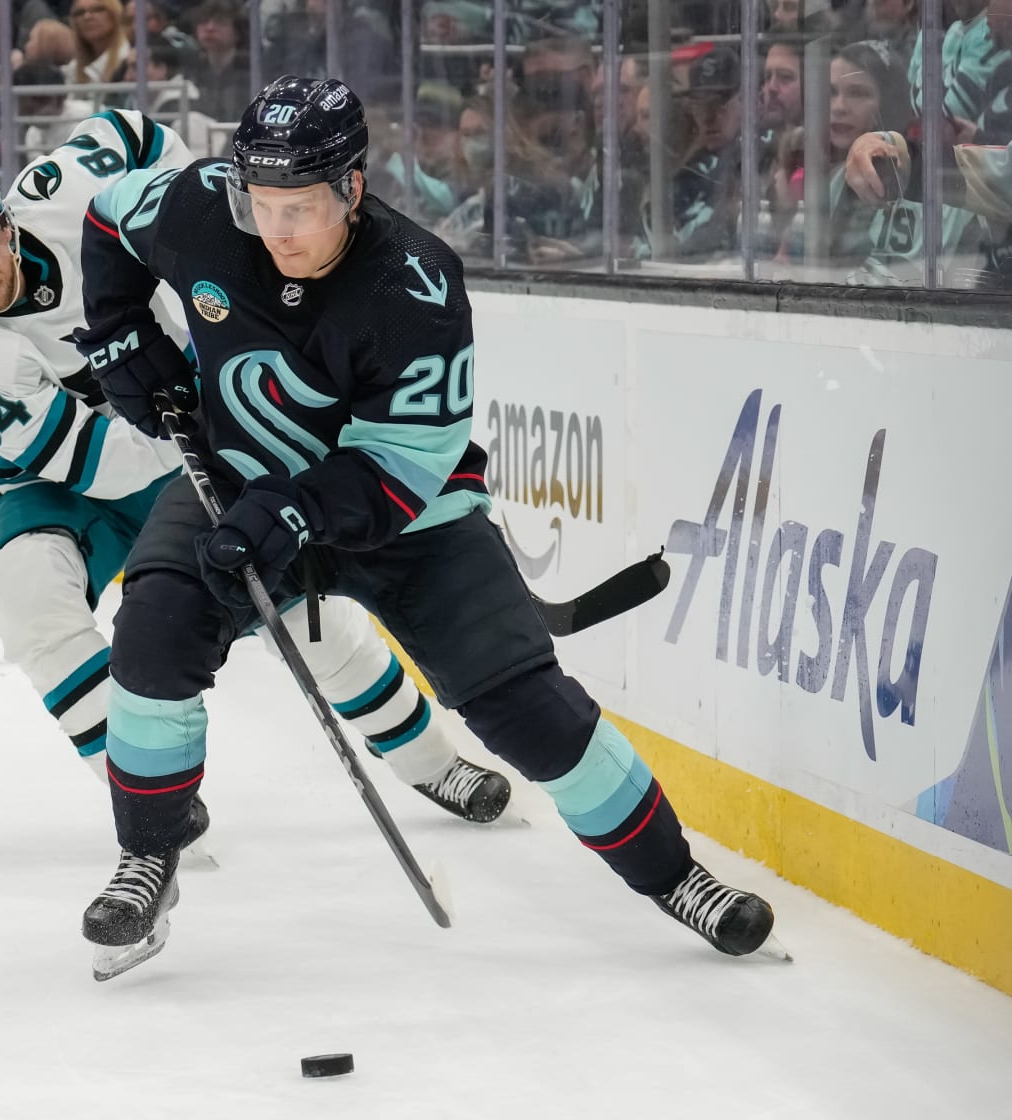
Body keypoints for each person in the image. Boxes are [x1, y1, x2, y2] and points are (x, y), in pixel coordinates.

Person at [71, 77, 778, 979]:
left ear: (353, 190)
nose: (277, 232)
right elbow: (105, 219)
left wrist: (289, 512)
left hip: (411, 518)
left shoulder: (415, 283)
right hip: (241, 478)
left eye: (302, 209)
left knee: (529, 709)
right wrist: (123, 332)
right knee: (155, 628)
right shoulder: (204, 207)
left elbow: (400, 468)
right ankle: (150, 854)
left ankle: (677, 876)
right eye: (262, 206)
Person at [0, 113, 512, 906]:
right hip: (56, 484)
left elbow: (136, 137)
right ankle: (158, 805)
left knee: (299, 612)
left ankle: (434, 763)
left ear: (6, 219)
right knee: (28, 604)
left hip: (175, 429)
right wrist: (192, 424)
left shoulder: (59, 188)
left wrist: (211, 241)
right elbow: (79, 459)